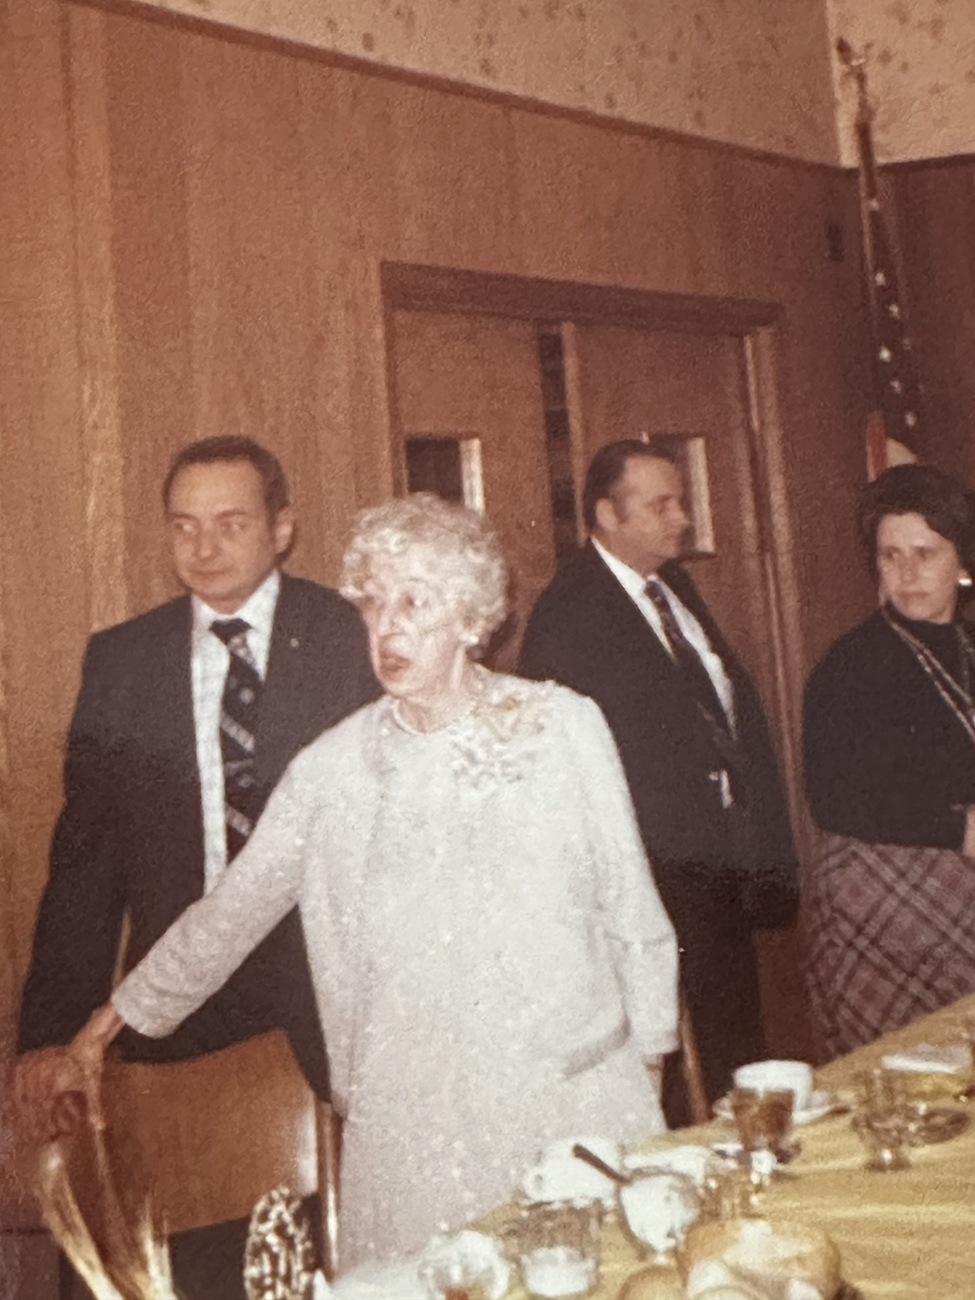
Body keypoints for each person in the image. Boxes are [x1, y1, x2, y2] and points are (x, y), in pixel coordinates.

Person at [18, 493, 679, 1271]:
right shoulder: (332, 771)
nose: (387, 627)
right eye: (372, 603)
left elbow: (632, 909)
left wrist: (647, 1070)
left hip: (566, 1096)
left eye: (414, 603)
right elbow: (230, 913)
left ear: (471, 618)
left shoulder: (561, 726)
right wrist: (102, 1029)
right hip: (413, 1122)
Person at [16, 435, 378, 1297]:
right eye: (184, 526)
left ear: (282, 528)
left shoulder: (352, 637)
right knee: (161, 1255)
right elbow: (85, 869)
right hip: (172, 1007)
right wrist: (49, 1037)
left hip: (325, 995)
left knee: (331, 1256)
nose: (203, 548)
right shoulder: (123, 660)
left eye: (230, 523)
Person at [518, 439, 798, 1125]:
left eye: (680, 501)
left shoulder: (672, 587)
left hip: (716, 867)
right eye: (660, 505)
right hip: (654, 880)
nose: (681, 518)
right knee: (682, 1065)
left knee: (734, 1050)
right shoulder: (568, 614)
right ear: (606, 514)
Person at [803, 462, 975, 1058]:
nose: (907, 572)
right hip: (884, 911)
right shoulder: (850, 664)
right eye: (890, 555)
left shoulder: (967, 645)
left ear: (962, 558)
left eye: (925, 554)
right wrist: (958, 827)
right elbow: (833, 796)